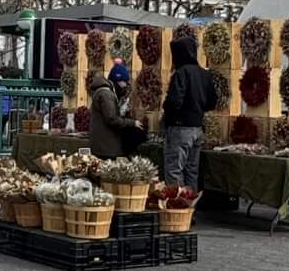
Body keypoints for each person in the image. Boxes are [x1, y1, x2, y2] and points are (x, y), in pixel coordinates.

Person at [161, 27, 216, 193]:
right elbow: (212, 102)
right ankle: (190, 208)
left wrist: (167, 111)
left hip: (179, 127)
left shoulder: (181, 73)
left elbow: (174, 101)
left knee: (174, 169)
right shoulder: (204, 74)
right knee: (192, 170)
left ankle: (177, 209)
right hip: (197, 127)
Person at [90, 59, 149, 161]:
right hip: (105, 146)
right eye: (124, 82)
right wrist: (132, 123)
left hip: (104, 144)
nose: (125, 85)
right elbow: (111, 119)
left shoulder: (106, 93)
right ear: (117, 80)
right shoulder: (106, 94)